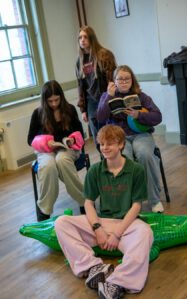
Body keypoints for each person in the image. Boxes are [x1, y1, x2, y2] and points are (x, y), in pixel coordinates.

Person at [55, 124, 153, 299]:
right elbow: (88, 203)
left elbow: (136, 206)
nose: (105, 148)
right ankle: (93, 267)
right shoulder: (95, 171)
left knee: (145, 232)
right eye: (101, 144)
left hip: (127, 225)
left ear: (121, 145)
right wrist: (97, 228)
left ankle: (117, 282)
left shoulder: (136, 170)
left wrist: (117, 234)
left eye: (110, 144)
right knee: (62, 222)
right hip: (103, 221)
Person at [97, 65, 164, 213]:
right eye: (120, 79)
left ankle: (154, 200)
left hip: (141, 135)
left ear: (132, 80)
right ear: (114, 81)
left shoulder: (141, 96)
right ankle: (128, 202)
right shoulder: (107, 95)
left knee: (145, 154)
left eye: (127, 78)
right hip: (118, 138)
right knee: (124, 159)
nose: (123, 81)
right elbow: (100, 118)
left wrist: (139, 115)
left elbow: (158, 117)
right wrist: (108, 96)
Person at [27, 80, 85, 221]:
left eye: (56, 100)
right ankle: (44, 210)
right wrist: (47, 143)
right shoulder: (38, 113)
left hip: (67, 149)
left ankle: (84, 201)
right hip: (46, 150)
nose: (54, 104)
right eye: (50, 101)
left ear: (61, 97)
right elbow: (30, 139)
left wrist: (71, 140)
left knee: (62, 160)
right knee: (48, 165)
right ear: (44, 100)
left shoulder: (70, 109)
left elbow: (81, 134)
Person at [76, 25, 117, 144]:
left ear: (92, 38)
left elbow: (112, 79)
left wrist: (112, 97)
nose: (82, 40)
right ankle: (103, 159)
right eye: (80, 38)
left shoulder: (105, 55)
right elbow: (81, 86)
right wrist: (83, 109)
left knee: (110, 132)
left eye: (85, 37)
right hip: (91, 102)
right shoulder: (80, 61)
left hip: (106, 97)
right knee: (97, 136)